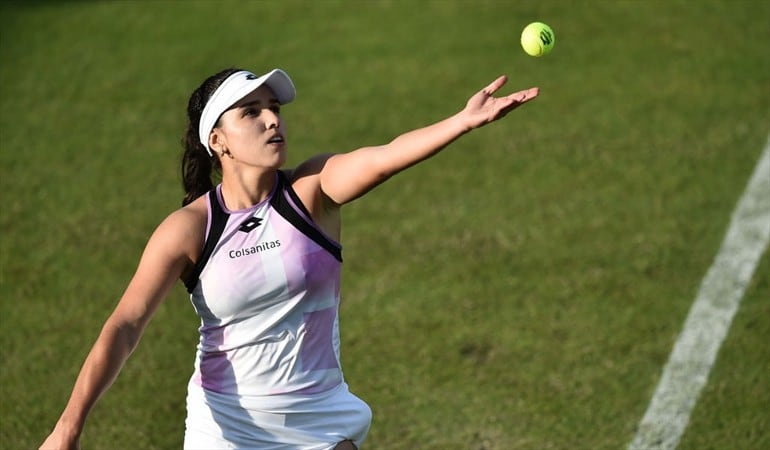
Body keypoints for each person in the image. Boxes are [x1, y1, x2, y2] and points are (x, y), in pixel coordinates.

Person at [39, 67, 539, 450]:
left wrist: (462, 121)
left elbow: (386, 156)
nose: (272, 119)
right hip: (226, 426)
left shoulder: (312, 191)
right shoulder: (191, 228)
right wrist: (68, 426)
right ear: (217, 140)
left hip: (319, 417)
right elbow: (125, 324)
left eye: (273, 106)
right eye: (251, 112)